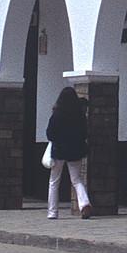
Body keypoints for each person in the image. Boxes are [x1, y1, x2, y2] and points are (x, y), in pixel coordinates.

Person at [43, 86, 91, 220]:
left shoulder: (57, 114)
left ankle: (52, 212)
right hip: (76, 150)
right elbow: (85, 133)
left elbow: (50, 133)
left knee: (54, 181)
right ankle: (84, 203)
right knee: (76, 179)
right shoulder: (80, 115)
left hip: (59, 150)